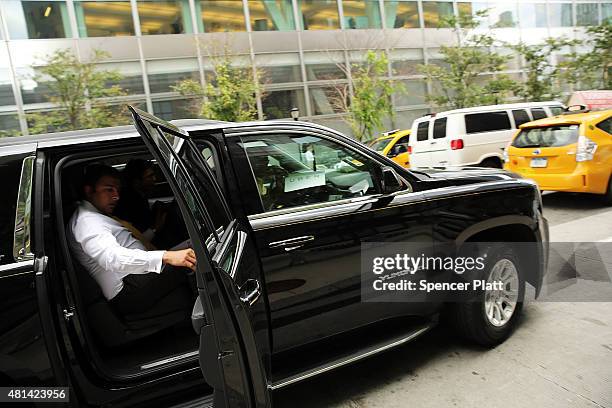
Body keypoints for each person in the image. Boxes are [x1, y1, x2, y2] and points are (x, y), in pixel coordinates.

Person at [67, 164, 196, 316]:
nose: (116, 196)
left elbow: (129, 243)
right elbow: (113, 258)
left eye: (117, 190)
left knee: (192, 247)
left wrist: (156, 232)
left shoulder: (93, 215)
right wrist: (166, 256)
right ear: (89, 191)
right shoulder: (88, 223)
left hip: (135, 278)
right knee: (195, 259)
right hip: (129, 289)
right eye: (109, 189)